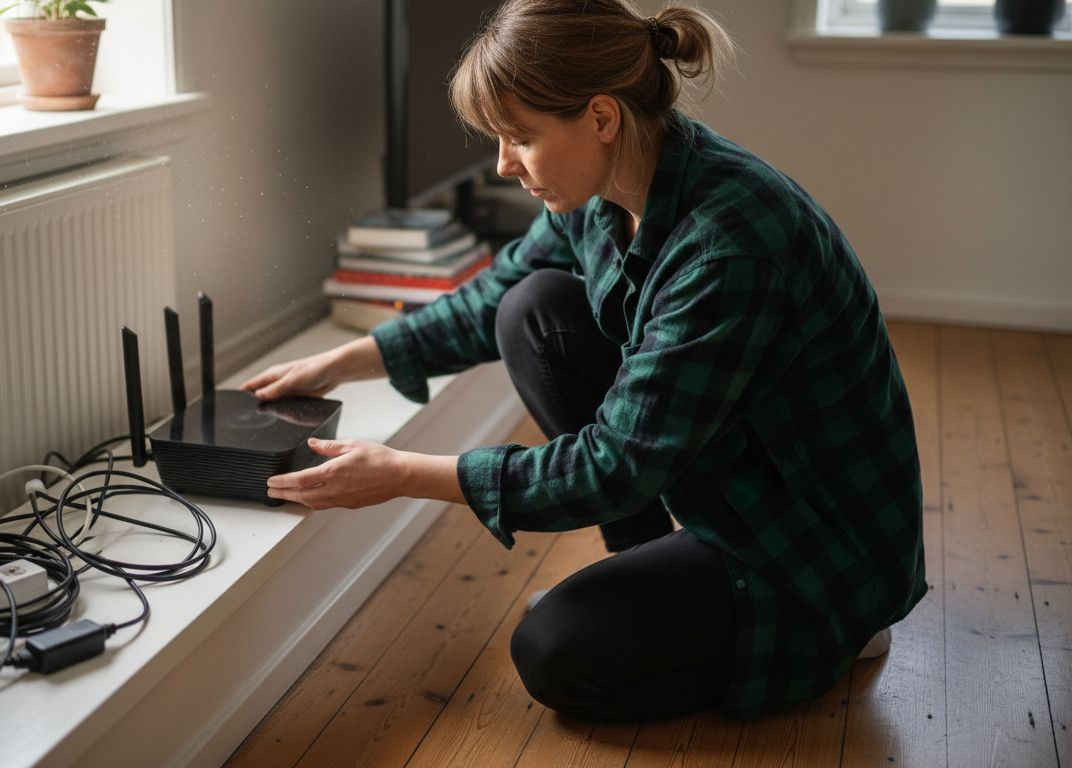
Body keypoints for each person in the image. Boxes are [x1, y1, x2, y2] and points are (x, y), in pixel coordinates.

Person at [240, 0, 925, 721]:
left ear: (600, 118)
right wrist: (346, 360)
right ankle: (651, 568)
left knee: (554, 653)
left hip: (811, 547)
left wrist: (399, 475)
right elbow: (495, 297)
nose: (504, 164)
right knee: (530, 308)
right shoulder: (609, 185)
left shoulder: (730, 245)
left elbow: (614, 466)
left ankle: (836, 635)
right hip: (732, 475)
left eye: (520, 138)